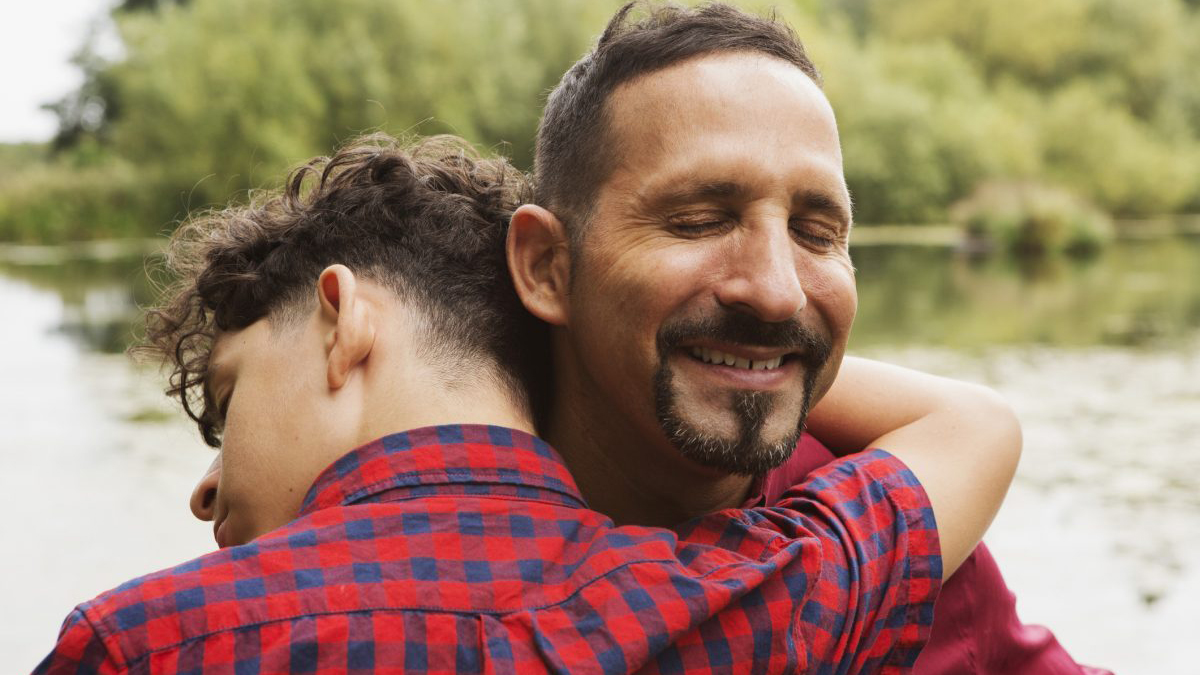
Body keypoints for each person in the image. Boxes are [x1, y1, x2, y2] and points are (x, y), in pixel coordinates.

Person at [35, 133, 1016, 674]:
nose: (207, 491)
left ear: (343, 320)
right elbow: (972, 428)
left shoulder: (150, 644)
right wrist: (636, 343)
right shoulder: (742, 606)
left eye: (230, 399)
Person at [507, 2, 1110, 673]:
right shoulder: (432, 548)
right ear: (547, 267)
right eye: (701, 219)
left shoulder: (916, 535)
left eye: (816, 232)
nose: (777, 290)